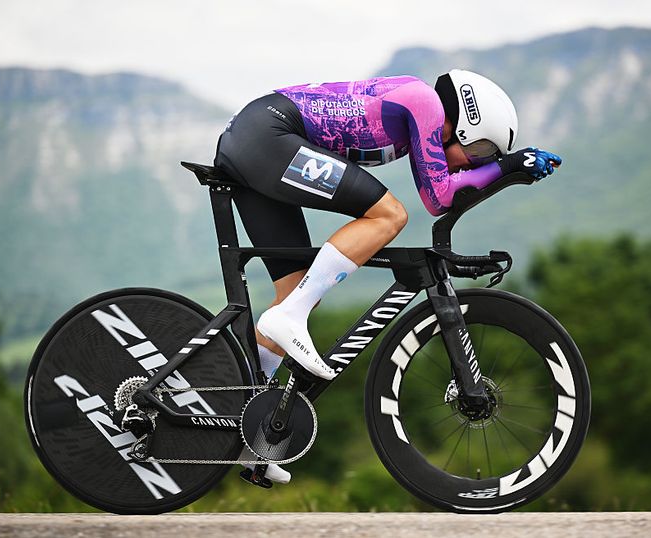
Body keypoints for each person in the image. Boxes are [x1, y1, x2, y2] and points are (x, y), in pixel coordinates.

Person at [213, 69, 562, 484]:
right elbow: (439, 198)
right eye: (482, 149)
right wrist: (506, 167)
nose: (476, 161)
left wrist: (504, 169)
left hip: (255, 138)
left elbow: (441, 191)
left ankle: (243, 429)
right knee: (390, 215)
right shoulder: (425, 103)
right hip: (266, 135)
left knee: (297, 289)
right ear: (466, 125)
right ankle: (289, 318)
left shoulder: (418, 114)